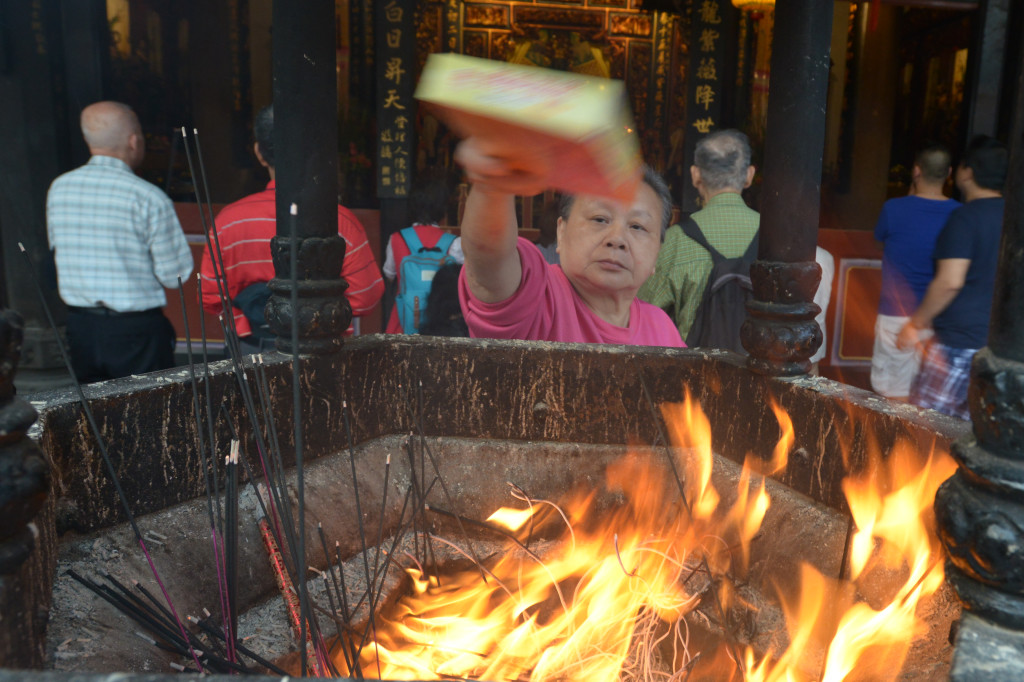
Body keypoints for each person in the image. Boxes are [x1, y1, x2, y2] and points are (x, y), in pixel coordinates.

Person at [455, 137, 683, 347]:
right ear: (561, 232)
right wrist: (492, 185)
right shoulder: (538, 296)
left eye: (637, 226)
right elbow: (490, 256)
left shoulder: (661, 328)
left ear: (657, 254)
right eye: (600, 219)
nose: (617, 239)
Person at [200, 105, 384, 354]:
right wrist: (316, 318)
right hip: (324, 349)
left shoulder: (227, 221)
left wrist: (249, 323)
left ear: (259, 153)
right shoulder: (340, 221)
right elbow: (366, 296)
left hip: (250, 350)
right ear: (313, 153)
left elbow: (211, 296)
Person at [46, 101, 194, 382]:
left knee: (93, 416)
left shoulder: (59, 189)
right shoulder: (147, 197)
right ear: (134, 141)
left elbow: (56, 252)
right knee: (149, 417)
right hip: (135, 331)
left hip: (81, 328)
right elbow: (174, 274)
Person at [898, 135, 1007, 419]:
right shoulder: (1013, 219)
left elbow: (950, 281)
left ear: (967, 172)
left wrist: (916, 323)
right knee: (973, 437)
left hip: (956, 348)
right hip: (997, 350)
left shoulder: (966, 218)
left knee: (925, 433)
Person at [638, 129, 760, 341]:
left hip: (693, 371)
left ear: (695, 175)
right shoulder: (772, 237)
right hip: (761, 371)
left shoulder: (675, 240)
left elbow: (643, 313)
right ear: (749, 175)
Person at [871, 145, 960, 401]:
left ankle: (892, 442)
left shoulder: (893, 209)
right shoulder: (959, 214)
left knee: (892, 396)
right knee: (931, 398)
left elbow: (879, 241)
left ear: (916, 171)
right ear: (949, 173)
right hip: (938, 316)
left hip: (894, 315)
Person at [382, 171, 464, 333]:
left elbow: (390, 274)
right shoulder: (454, 243)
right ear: (443, 208)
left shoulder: (396, 239)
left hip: (402, 324)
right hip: (442, 329)